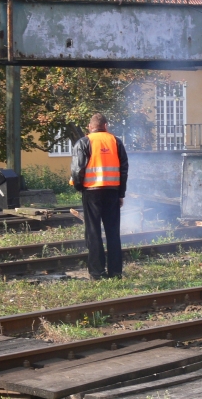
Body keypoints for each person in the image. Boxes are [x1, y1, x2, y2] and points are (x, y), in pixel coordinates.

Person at [70, 113, 129, 280]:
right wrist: (120, 193)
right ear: (106, 126)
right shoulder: (116, 142)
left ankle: (97, 272)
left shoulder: (84, 142)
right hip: (112, 192)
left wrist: (79, 187)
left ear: (90, 127)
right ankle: (115, 271)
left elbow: (77, 169)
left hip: (91, 192)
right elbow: (124, 170)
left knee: (93, 231)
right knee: (113, 232)